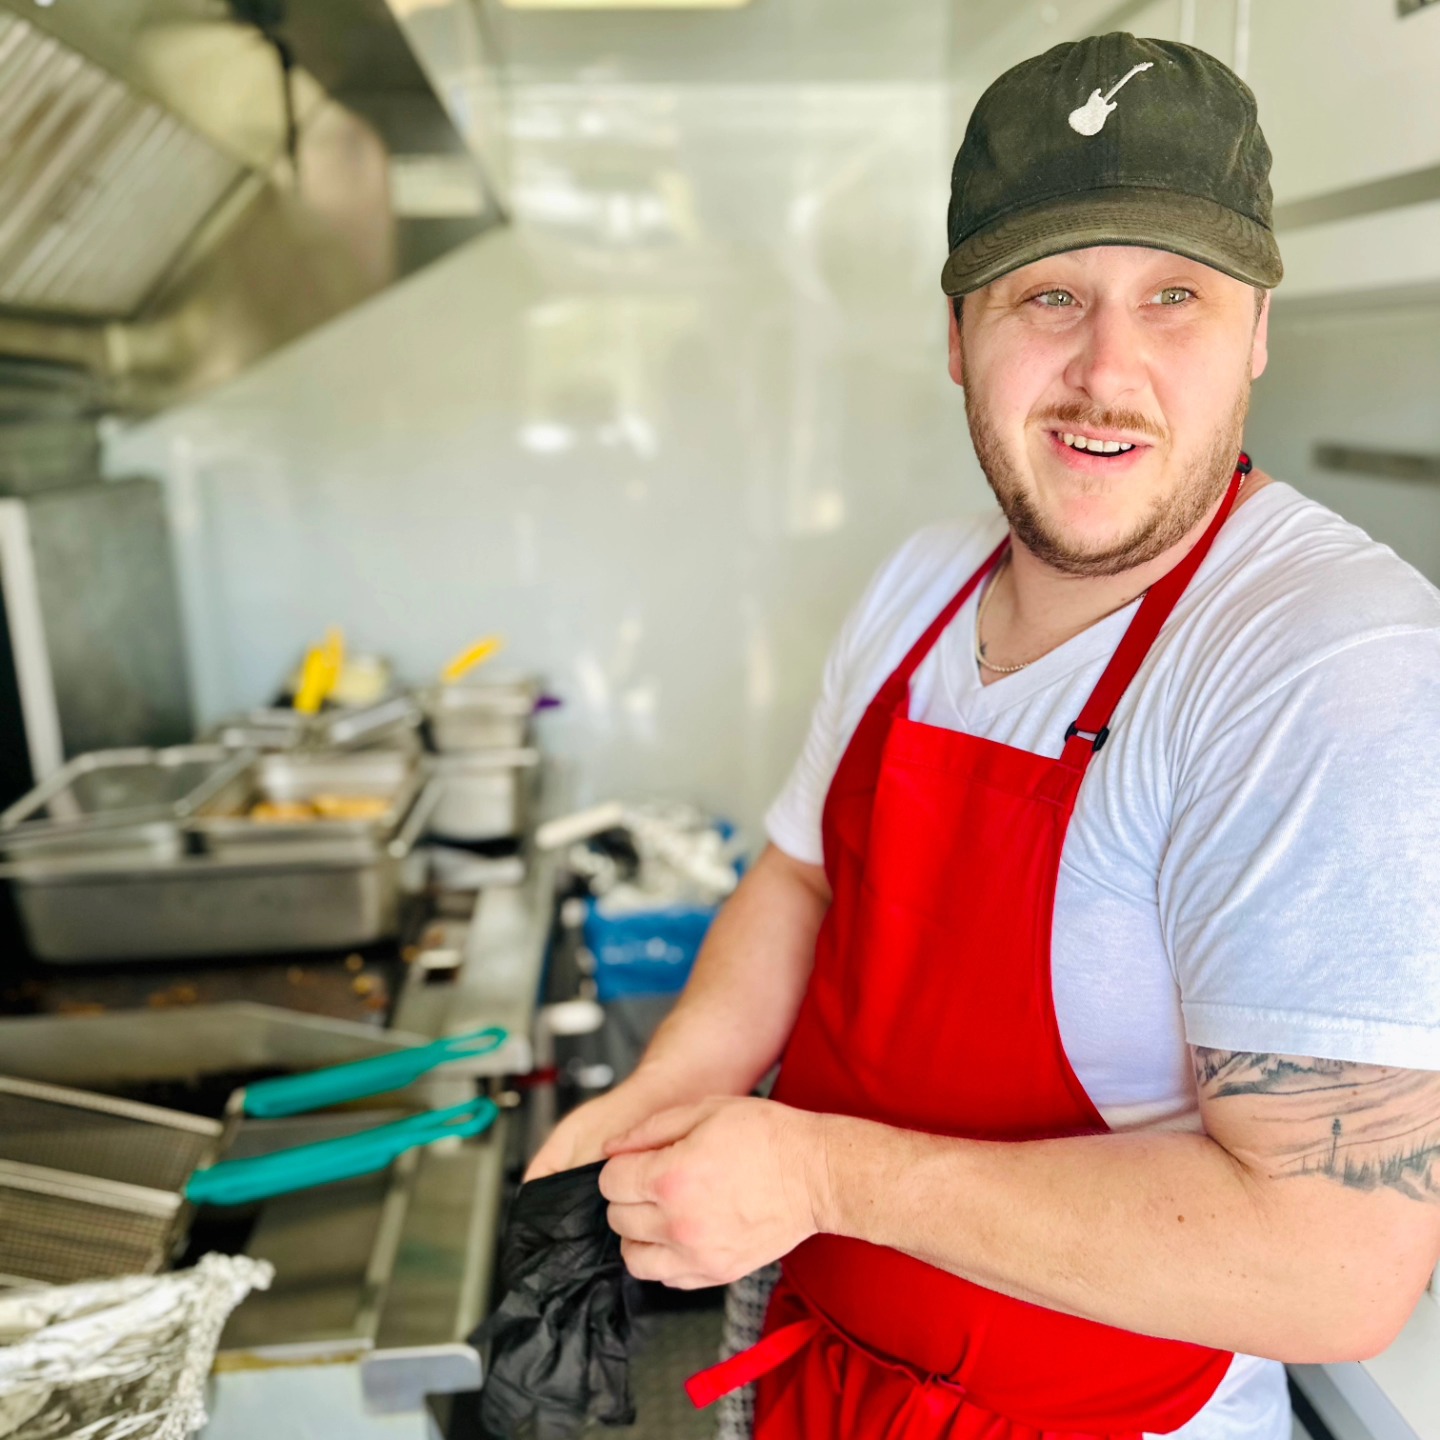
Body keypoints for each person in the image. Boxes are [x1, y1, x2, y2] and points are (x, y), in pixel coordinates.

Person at [527, 31, 1440, 1440]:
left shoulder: (1326, 661)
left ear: (1258, 330)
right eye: (1049, 295)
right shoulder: (921, 585)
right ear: (959, 337)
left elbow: (1334, 1268)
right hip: (819, 1378)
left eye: (1177, 296)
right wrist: (670, 1091)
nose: (1107, 372)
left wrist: (819, 1177)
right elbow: (801, 879)